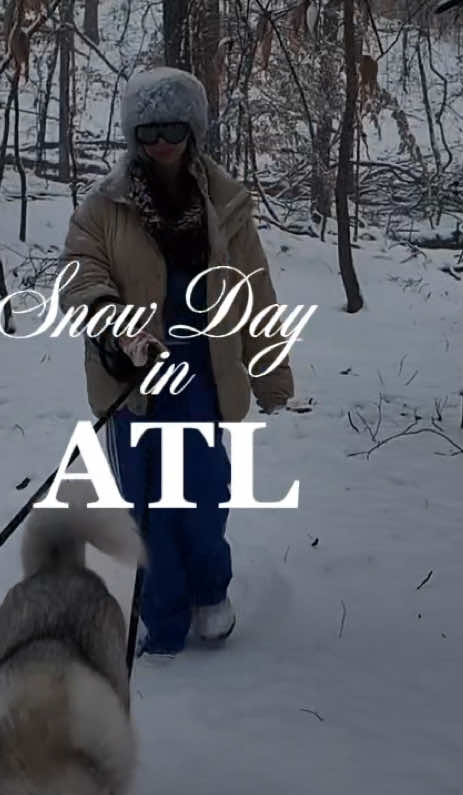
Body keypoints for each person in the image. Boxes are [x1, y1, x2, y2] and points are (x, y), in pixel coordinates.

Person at [61, 67, 294, 658]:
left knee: (201, 496)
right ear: (132, 135)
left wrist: (269, 371)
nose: (161, 140)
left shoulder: (226, 205)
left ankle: (210, 594)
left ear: (193, 130)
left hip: (205, 380)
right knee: (142, 507)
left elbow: (254, 291)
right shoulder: (103, 207)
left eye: (173, 127)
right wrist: (115, 327)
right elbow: (81, 274)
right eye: (148, 129)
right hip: (134, 382)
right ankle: (159, 618)